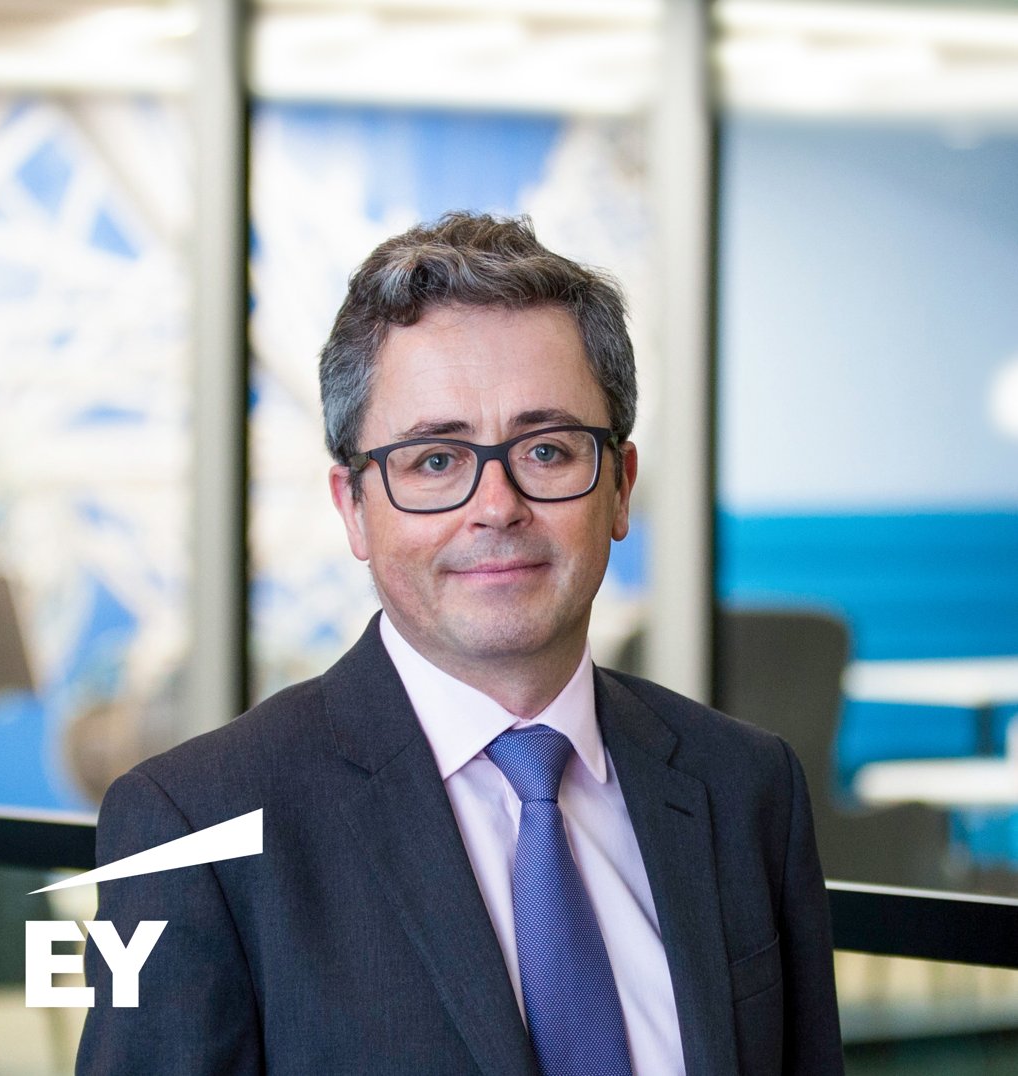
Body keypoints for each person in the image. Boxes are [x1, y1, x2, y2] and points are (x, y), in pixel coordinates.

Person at [77, 213, 843, 1076]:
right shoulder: (195, 827)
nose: (497, 507)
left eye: (547, 450)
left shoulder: (747, 789)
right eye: (435, 461)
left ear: (621, 488)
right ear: (353, 507)